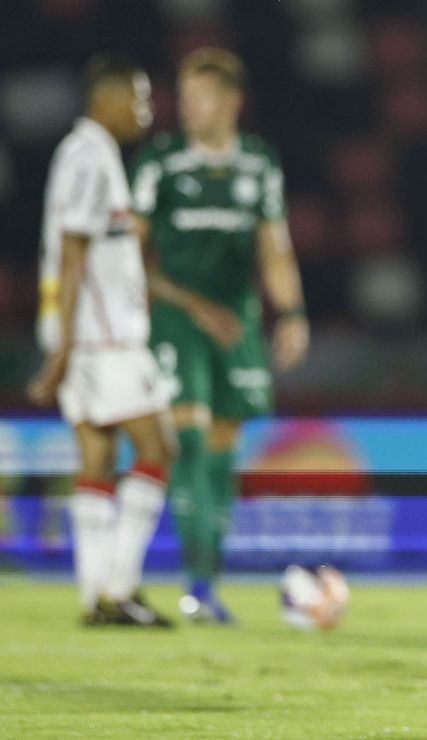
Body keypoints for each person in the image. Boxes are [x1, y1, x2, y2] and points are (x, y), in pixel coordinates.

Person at [130, 47, 309, 623]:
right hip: (177, 318)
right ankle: (197, 585)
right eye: (183, 99)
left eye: (201, 97)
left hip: (236, 319)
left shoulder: (258, 163)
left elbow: (273, 246)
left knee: (223, 447)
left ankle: (209, 582)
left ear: (232, 101)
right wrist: (192, 305)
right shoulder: (159, 162)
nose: (189, 109)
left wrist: (292, 313)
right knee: (189, 435)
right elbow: (131, 257)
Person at [28, 54, 174, 628]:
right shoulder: (91, 157)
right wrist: (63, 348)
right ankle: (120, 588)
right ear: (106, 101)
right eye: (137, 99)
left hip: (84, 331)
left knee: (98, 456)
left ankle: (95, 595)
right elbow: (72, 250)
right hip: (102, 335)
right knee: (158, 448)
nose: (145, 110)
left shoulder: (83, 154)